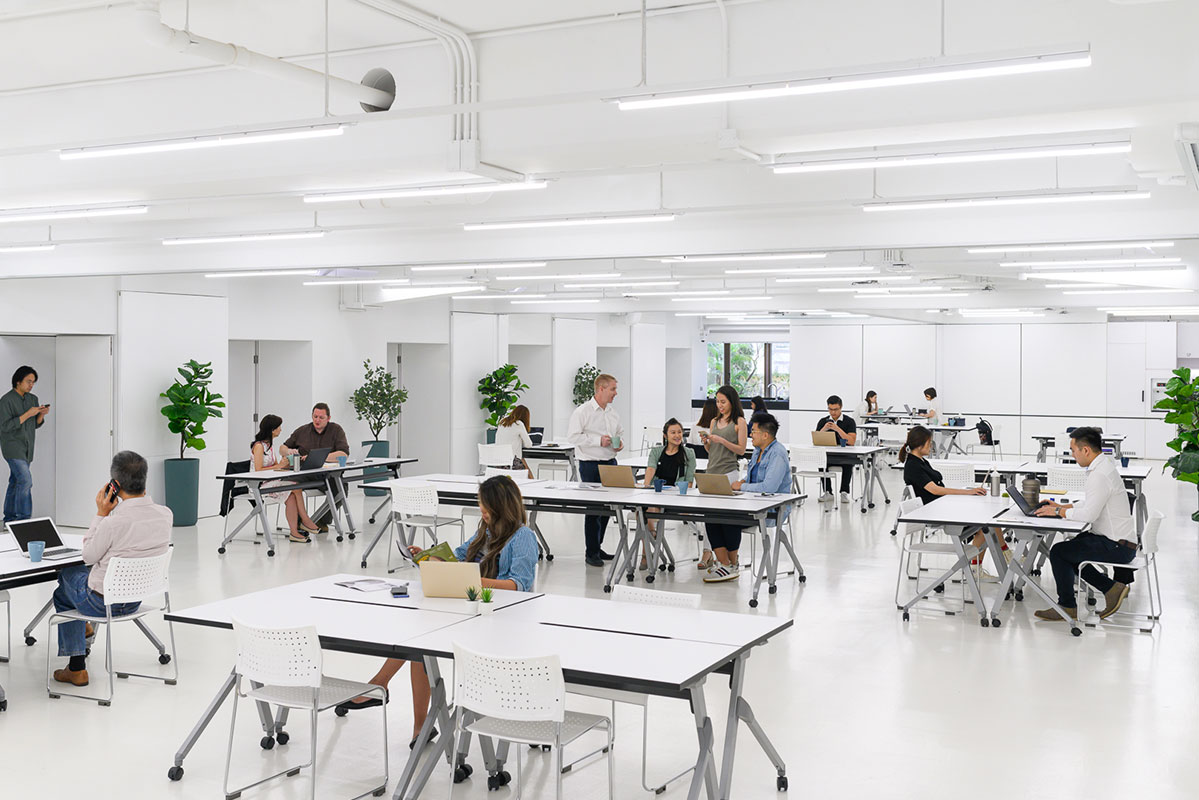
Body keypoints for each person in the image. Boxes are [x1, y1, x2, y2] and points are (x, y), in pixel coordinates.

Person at [336, 475, 538, 745]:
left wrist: (471, 579)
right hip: (472, 610)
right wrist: (431, 556)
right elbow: (459, 556)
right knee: (419, 639)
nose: (482, 511)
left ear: (502, 506)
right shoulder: (487, 531)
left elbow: (518, 586)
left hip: (500, 620)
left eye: (485, 506)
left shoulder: (523, 537)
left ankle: (381, 685)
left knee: (422, 636)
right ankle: (419, 726)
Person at [50, 451, 172, 687]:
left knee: (66, 578)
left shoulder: (113, 522)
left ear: (114, 485)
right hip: (135, 598)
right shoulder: (166, 514)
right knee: (79, 581)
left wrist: (101, 513)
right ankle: (82, 628)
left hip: (101, 604)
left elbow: (88, 556)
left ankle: (77, 667)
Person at [1032, 426, 1137, 622]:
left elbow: (1089, 514)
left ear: (1085, 450)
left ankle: (1067, 607)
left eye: (1073, 450)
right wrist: (1064, 506)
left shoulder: (1099, 475)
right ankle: (1111, 589)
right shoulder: (1103, 466)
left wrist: (1058, 511)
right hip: (1119, 541)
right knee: (1069, 550)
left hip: (1117, 546)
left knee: (1059, 552)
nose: (1072, 455)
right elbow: (1093, 502)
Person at [899, 426, 1008, 577]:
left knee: (989, 519)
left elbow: (937, 489)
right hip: (936, 512)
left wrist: (968, 493)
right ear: (920, 444)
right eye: (929, 443)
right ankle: (990, 562)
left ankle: (1002, 554)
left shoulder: (921, 461)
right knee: (985, 524)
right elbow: (935, 490)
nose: (931, 447)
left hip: (942, 506)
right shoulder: (913, 466)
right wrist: (967, 492)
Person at [707, 413, 790, 583]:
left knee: (730, 518)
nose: (751, 435)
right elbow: (752, 477)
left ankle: (731, 564)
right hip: (752, 502)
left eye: (754, 431)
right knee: (712, 515)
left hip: (772, 508)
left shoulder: (778, 454)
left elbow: (769, 488)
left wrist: (741, 486)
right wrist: (743, 481)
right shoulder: (759, 450)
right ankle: (726, 564)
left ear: (765, 435)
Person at [567, 374, 624, 567]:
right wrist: (597, 441)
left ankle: (597, 546)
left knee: (608, 509)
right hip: (590, 464)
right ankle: (591, 552)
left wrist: (619, 444)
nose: (616, 393)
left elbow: (619, 433)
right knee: (593, 510)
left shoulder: (613, 413)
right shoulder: (582, 412)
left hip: (610, 462)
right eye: (613, 389)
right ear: (601, 389)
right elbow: (573, 437)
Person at [699, 385, 747, 575]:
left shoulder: (739, 422)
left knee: (727, 519)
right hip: (712, 473)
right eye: (717, 402)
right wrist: (707, 443)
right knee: (711, 519)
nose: (719, 405)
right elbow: (713, 451)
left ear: (731, 401)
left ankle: (733, 562)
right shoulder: (713, 421)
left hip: (729, 473)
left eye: (723, 402)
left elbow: (741, 450)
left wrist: (722, 441)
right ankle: (723, 562)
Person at [280, 403, 350, 532]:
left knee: (341, 487)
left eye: (321, 417)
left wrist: (320, 457)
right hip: (305, 473)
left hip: (327, 475)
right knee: (292, 484)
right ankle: (299, 524)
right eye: (315, 416)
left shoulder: (336, 430)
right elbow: (282, 448)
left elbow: (343, 453)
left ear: (328, 418)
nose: (317, 420)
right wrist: (288, 451)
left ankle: (321, 520)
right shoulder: (302, 430)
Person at [251, 414, 319, 544]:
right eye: (279, 427)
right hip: (259, 485)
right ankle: (305, 520)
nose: (281, 430)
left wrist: (286, 464)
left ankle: (294, 533)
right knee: (296, 487)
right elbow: (258, 470)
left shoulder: (269, 446)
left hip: (271, 481)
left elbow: (274, 467)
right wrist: (279, 466)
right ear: (272, 429)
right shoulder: (259, 446)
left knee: (292, 495)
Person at [639, 418, 697, 570]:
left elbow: (689, 481)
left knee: (647, 513)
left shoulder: (688, 453)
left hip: (677, 497)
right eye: (673, 432)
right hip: (657, 495)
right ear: (665, 435)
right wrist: (646, 485)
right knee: (643, 510)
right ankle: (649, 545)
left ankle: (648, 548)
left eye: (679, 432)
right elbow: (650, 469)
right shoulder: (657, 452)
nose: (677, 435)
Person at [1, 366, 49, 525]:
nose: (31, 385)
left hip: (28, 448)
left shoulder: (32, 399)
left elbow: (34, 425)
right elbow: (5, 426)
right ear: (18, 381)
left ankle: (8, 519)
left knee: (16, 481)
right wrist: (28, 413)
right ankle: (23, 521)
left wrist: (41, 414)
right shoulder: (6, 400)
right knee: (26, 480)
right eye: (28, 381)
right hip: (13, 447)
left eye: (33, 382)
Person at [814, 395, 857, 504]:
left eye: (836, 409)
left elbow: (851, 441)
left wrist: (837, 429)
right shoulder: (823, 421)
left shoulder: (849, 421)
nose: (833, 413)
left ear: (841, 407)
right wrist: (825, 429)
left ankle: (844, 492)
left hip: (845, 454)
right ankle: (828, 492)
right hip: (829, 454)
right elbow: (816, 440)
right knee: (821, 462)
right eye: (830, 409)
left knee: (848, 463)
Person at [494, 404, 534, 472]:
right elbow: (528, 444)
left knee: (524, 462)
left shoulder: (502, 422)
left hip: (499, 462)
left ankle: (533, 480)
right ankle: (533, 481)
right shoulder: (519, 424)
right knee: (525, 466)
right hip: (512, 463)